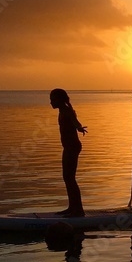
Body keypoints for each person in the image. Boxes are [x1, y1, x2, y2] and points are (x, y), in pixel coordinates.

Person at [49, 88, 87, 217]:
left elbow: (75, 122)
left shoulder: (67, 110)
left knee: (70, 178)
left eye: (52, 99)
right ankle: (72, 207)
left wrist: (79, 127)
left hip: (72, 147)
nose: (50, 102)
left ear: (59, 100)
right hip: (68, 147)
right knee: (67, 178)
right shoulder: (63, 110)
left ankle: (78, 210)